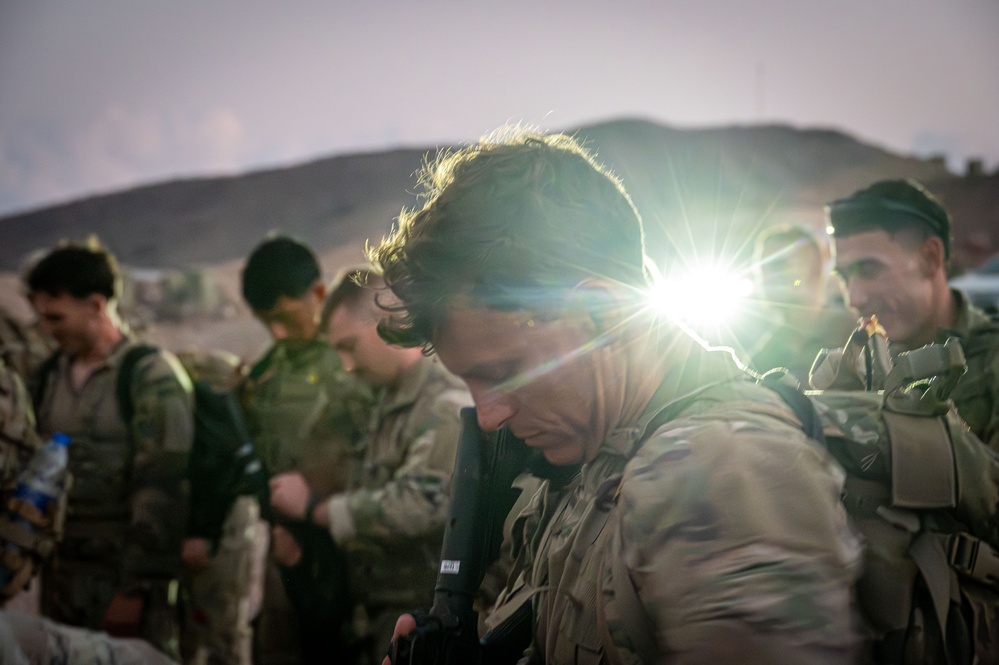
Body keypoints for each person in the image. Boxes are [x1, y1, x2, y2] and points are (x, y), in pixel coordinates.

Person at [368, 129, 863, 664]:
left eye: (504, 372)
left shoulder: (714, 475)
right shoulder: (595, 456)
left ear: (603, 315)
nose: (488, 416)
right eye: (470, 383)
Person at [268, 265, 472, 664]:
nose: (346, 365)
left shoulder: (445, 404)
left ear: (389, 324)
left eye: (350, 346)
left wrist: (317, 510)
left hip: (426, 621)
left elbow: (421, 504)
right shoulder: (384, 400)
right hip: (382, 619)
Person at [24, 241, 193, 658]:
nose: (48, 329)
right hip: (62, 581)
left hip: (124, 585)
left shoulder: (149, 375)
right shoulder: (47, 377)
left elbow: (163, 488)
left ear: (96, 305)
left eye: (57, 317)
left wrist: (135, 590)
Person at [238, 235, 372, 664]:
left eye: (285, 317)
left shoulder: (360, 359)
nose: (277, 333)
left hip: (354, 545)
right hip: (286, 551)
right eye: (266, 322)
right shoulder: (264, 373)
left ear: (317, 293)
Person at [827, 178, 999, 450]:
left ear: (930, 258)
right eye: (844, 277)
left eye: (870, 269)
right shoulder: (858, 369)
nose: (854, 298)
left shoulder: (992, 364)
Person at [738, 224, 858, 385]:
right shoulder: (763, 354)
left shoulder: (853, 333)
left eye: (778, 265)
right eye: (761, 270)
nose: (765, 278)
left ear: (815, 268)